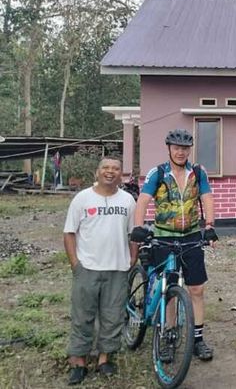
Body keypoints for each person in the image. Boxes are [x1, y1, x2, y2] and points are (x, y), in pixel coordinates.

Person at [134, 128, 216, 361]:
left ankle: (198, 339)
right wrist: (139, 227)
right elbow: (143, 200)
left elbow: (207, 198)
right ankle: (169, 335)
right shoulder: (157, 173)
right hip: (163, 237)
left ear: (189, 150)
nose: (181, 152)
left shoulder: (198, 173)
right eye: (177, 148)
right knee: (169, 289)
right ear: (169, 148)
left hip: (191, 235)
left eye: (185, 148)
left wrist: (209, 226)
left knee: (197, 289)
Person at [63, 157, 136, 385]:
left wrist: (132, 257)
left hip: (117, 268)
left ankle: (105, 359)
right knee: (82, 316)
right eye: (106, 168)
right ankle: (79, 362)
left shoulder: (127, 201)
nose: (110, 172)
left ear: (120, 174)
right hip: (88, 268)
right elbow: (69, 232)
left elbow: (134, 233)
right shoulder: (83, 198)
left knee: (112, 317)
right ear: (97, 172)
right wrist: (75, 262)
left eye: (115, 169)